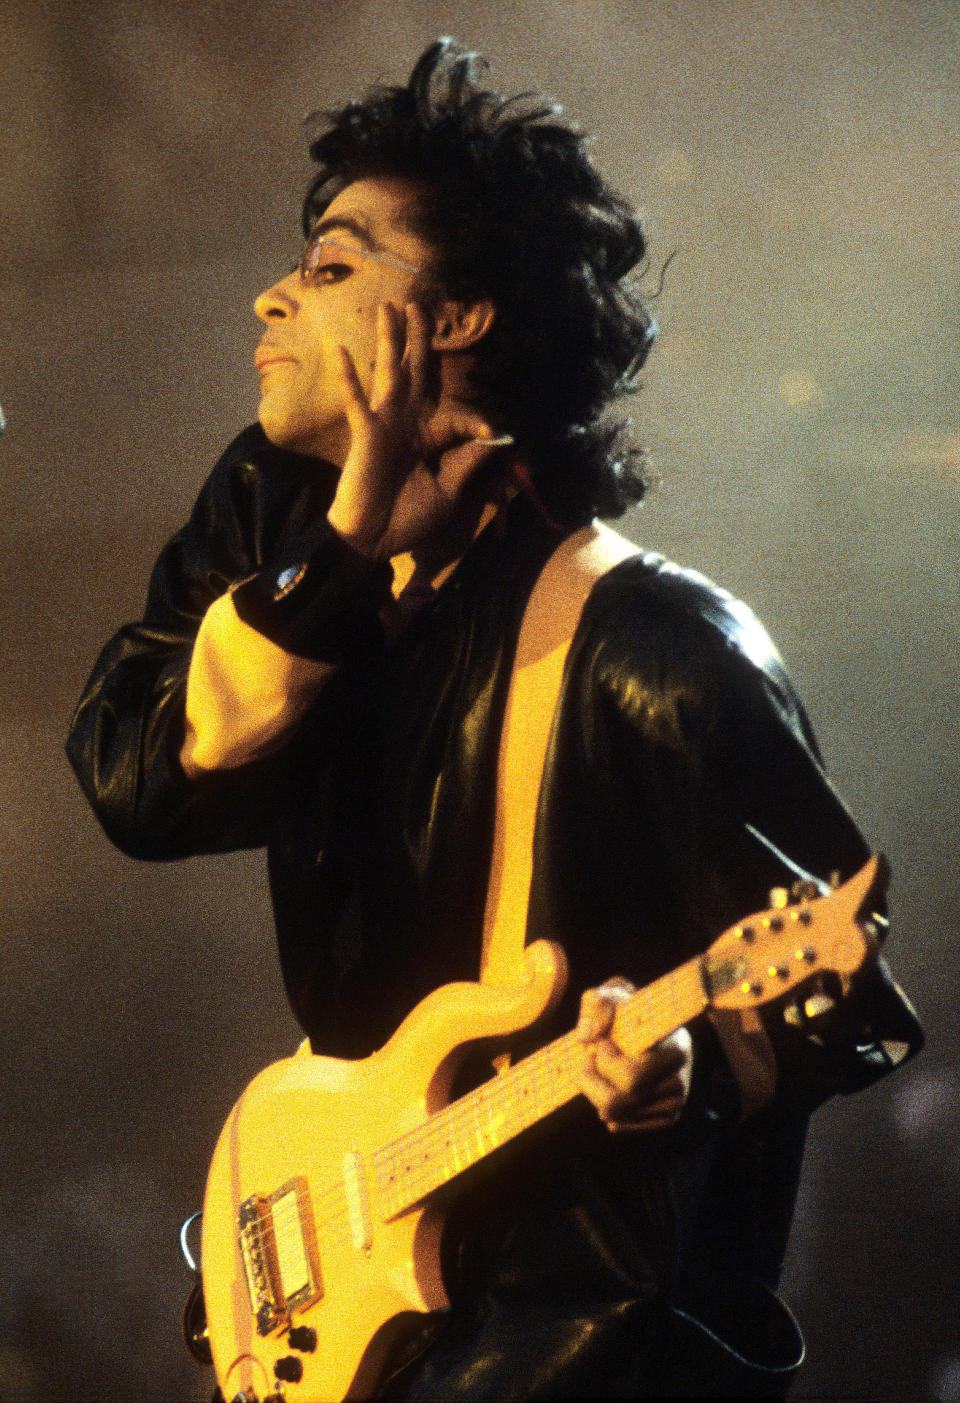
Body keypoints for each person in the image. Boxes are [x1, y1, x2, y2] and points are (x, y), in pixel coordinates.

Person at [67, 38, 921, 1400]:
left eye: (334, 265)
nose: (271, 295)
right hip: (352, 1296)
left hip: (569, 1345)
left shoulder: (657, 653)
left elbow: (847, 1008)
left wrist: (686, 1063)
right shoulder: (271, 526)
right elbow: (138, 783)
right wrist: (345, 545)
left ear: (452, 319)